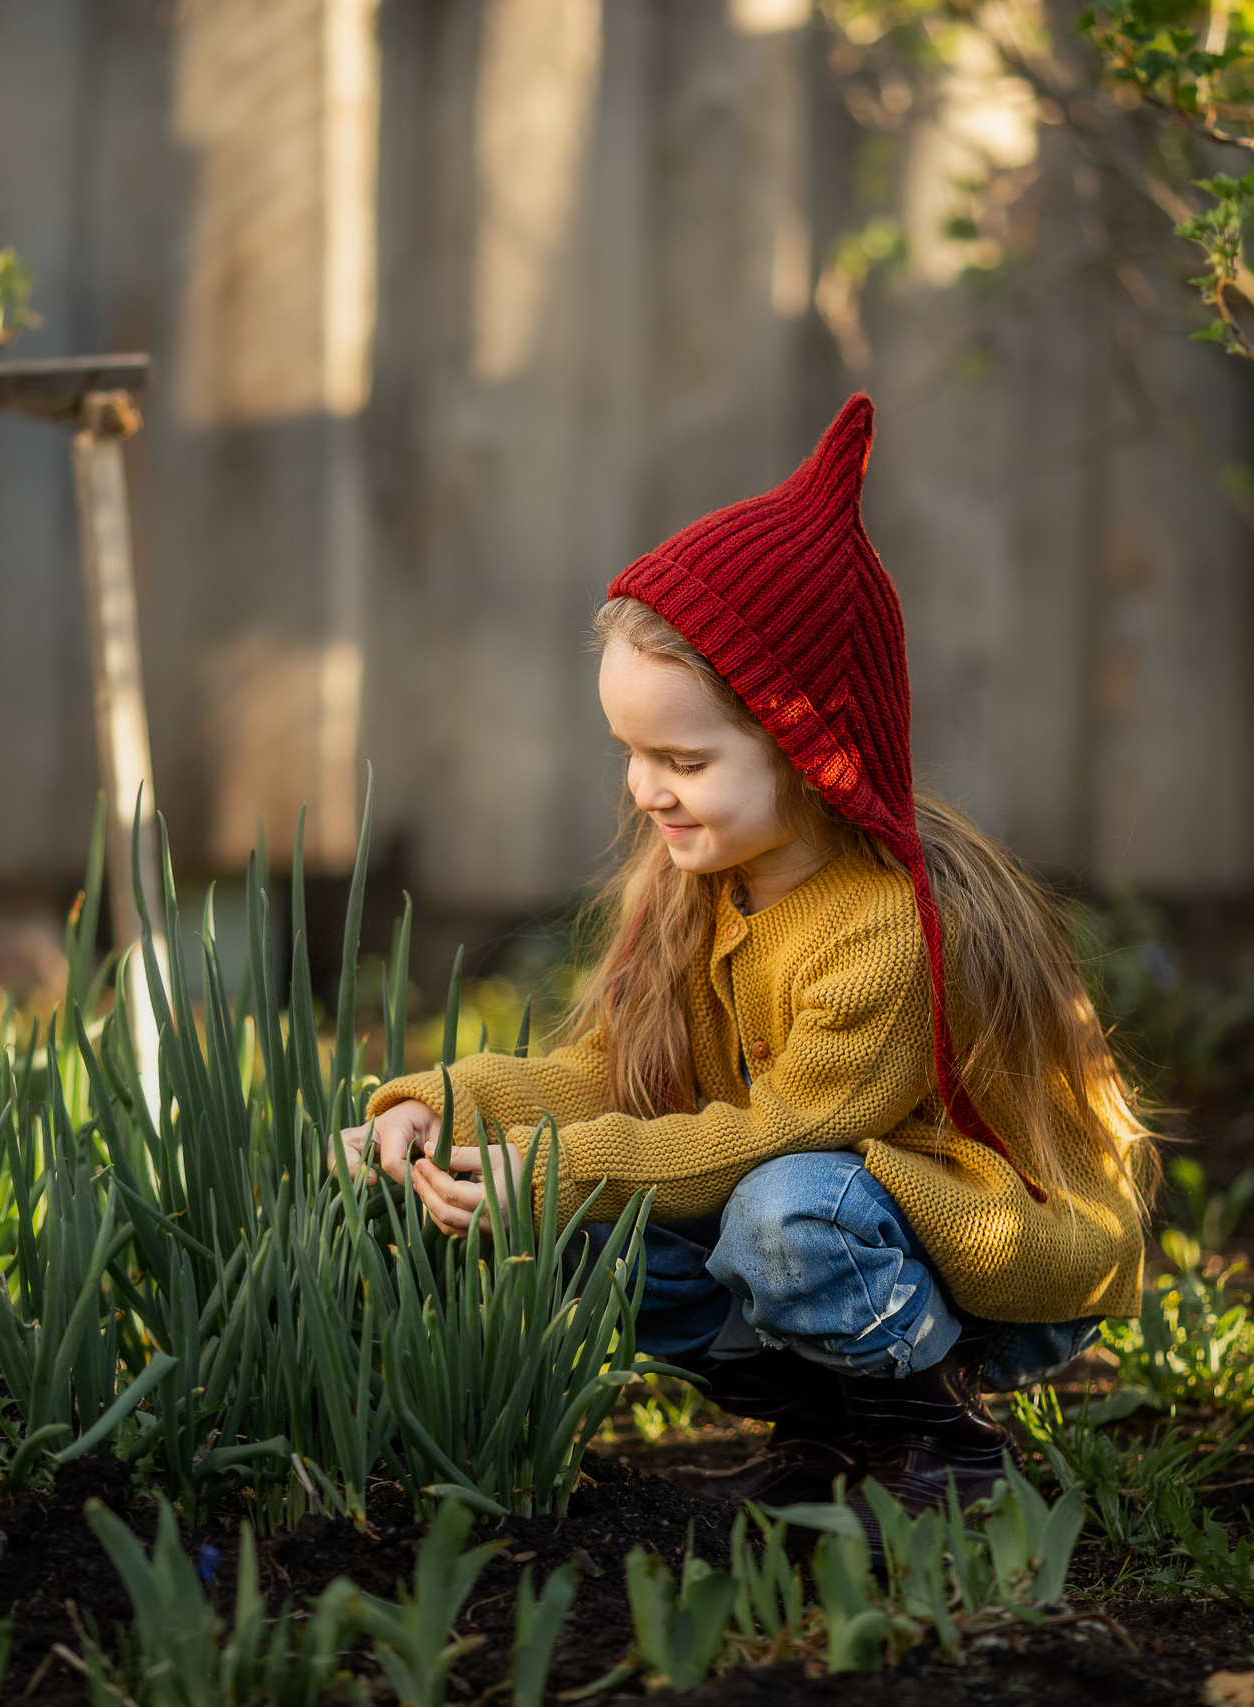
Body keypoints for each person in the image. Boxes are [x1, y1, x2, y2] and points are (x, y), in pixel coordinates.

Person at [334, 394, 1154, 1515]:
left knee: (783, 1211)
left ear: (809, 745)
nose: (643, 788)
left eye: (680, 756)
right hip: (837, 1232)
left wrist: (563, 1169)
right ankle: (834, 1431)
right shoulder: (703, 889)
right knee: (594, 1233)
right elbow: (615, 1077)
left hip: (985, 1265)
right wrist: (452, 1103)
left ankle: (943, 1440)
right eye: (630, 751)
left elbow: (784, 1136)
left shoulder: (882, 934)